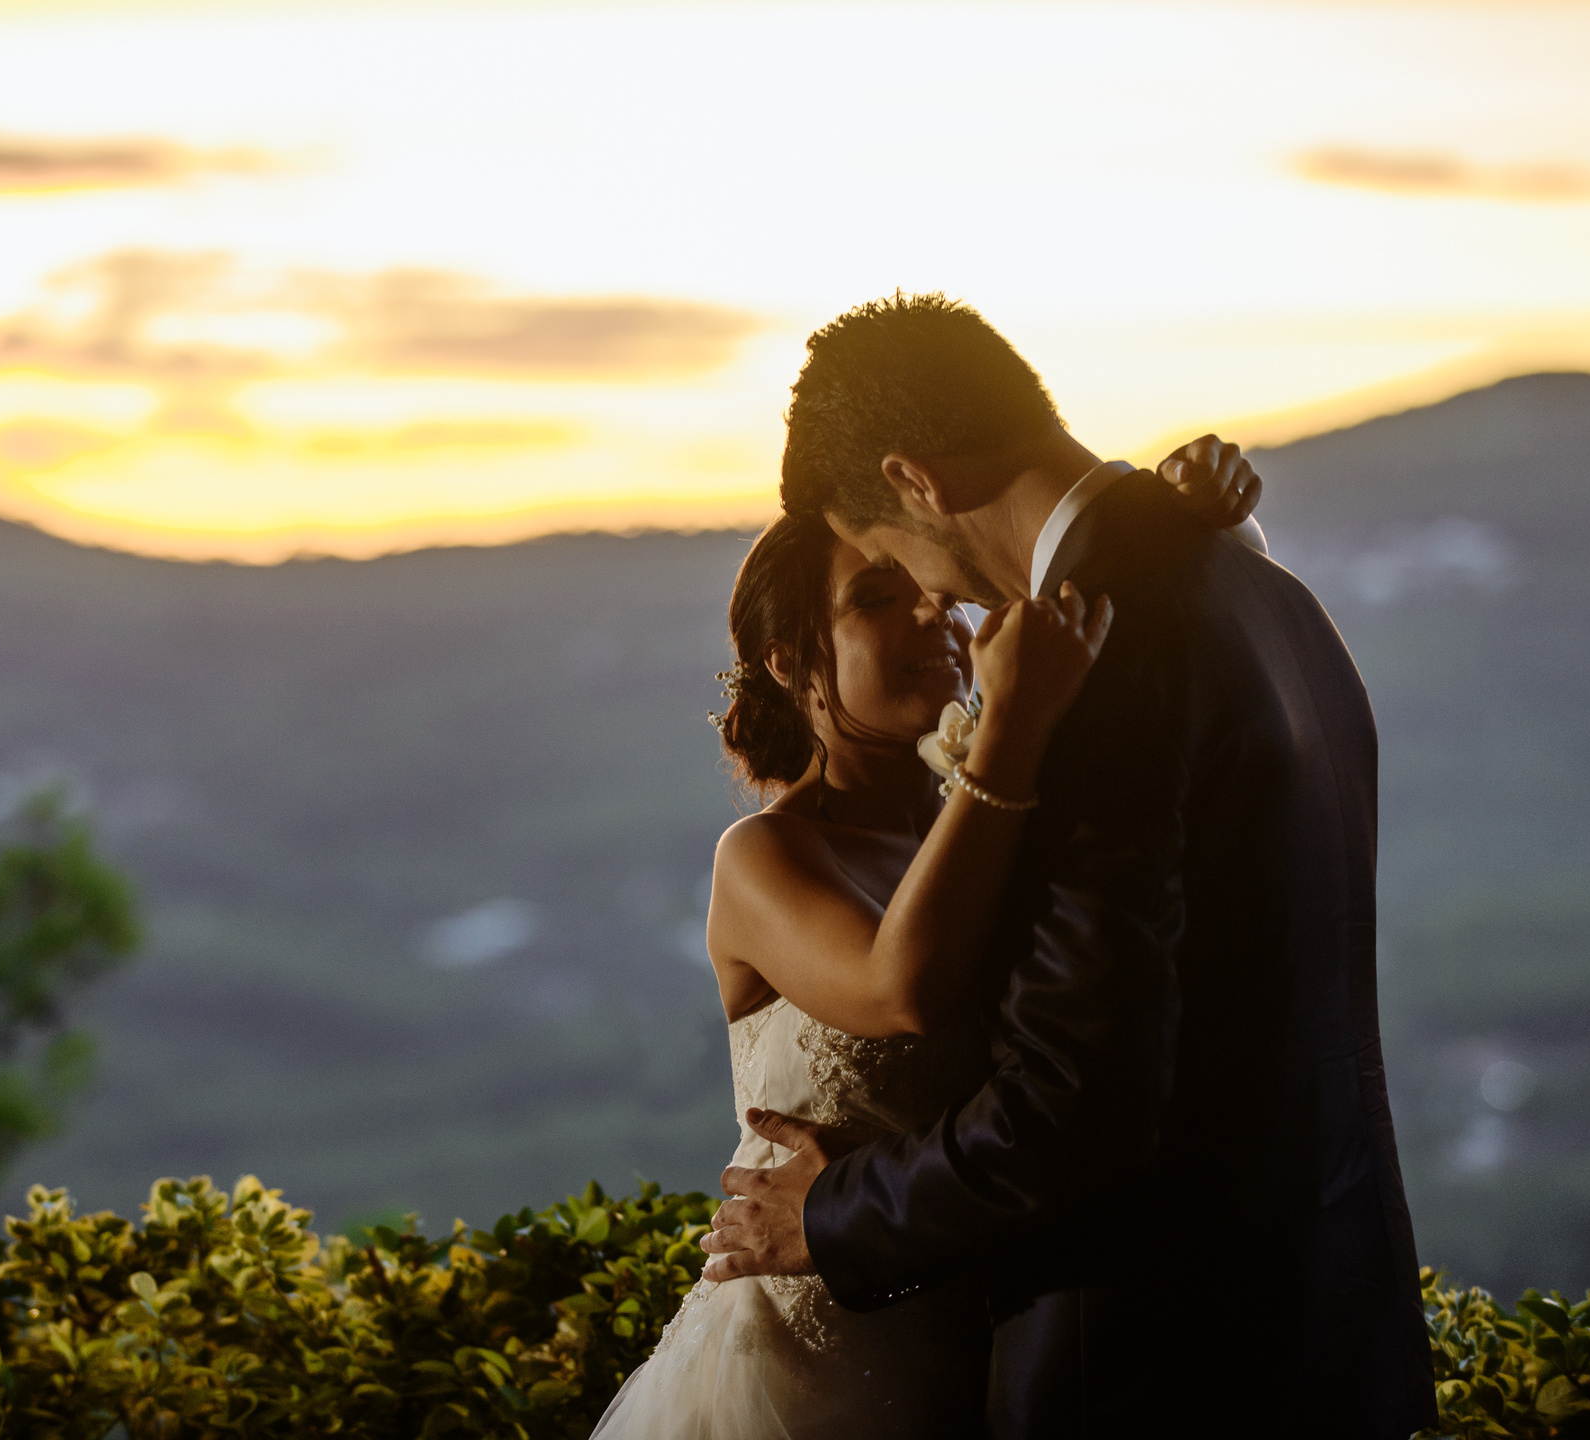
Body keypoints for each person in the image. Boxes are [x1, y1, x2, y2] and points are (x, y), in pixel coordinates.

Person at [697, 293, 1437, 1438]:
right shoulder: (1264, 593)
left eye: (895, 557)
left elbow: (1074, 1106)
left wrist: (830, 1217)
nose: (937, 604)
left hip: (1154, 1366)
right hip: (1333, 1323)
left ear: (916, 480)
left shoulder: (1096, 669)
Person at [590, 441, 1263, 1438]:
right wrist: (1012, 730)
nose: (929, 614)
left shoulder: (1004, 815)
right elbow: (904, 984)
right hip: (807, 1371)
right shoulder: (767, 856)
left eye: (934, 592)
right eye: (873, 598)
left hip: (999, 1343)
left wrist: (1192, 521)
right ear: (788, 662)